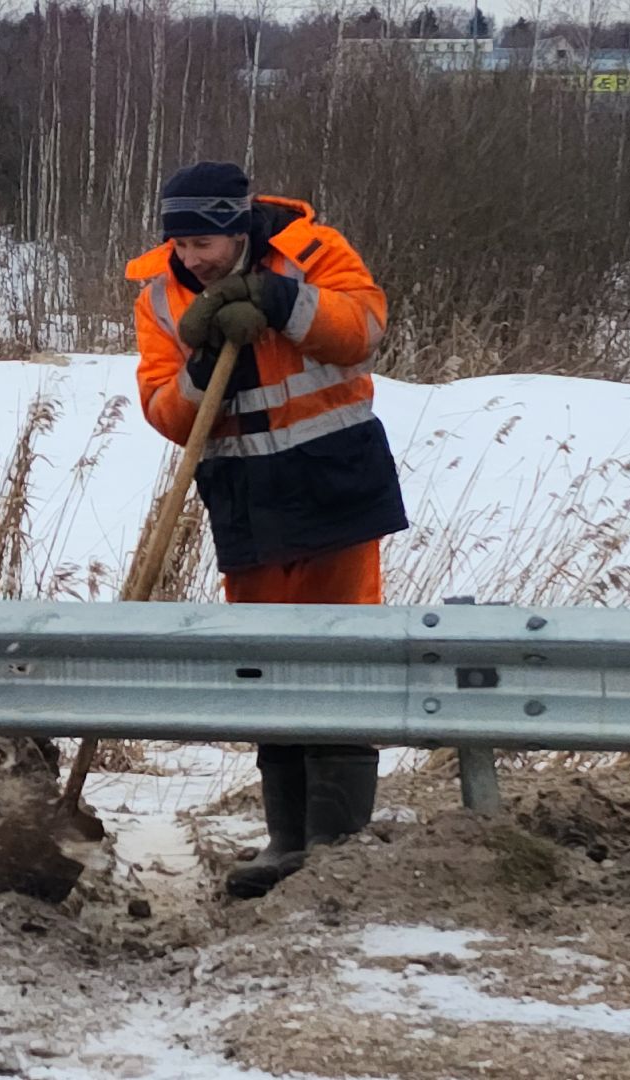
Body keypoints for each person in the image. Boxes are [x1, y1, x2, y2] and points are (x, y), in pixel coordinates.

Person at [127, 161, 407, 899]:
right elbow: (163, 411)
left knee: (338, 653)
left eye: (203, 244)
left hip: (333, 479)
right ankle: (287, 841)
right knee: (265, 661)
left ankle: (333, 848)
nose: (190, 258)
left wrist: (279, 301)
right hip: (245, 493)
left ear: (236, 226)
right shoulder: (158, 295)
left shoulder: (311, 252)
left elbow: (362, 329)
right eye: (180, 244)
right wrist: (202, 356)